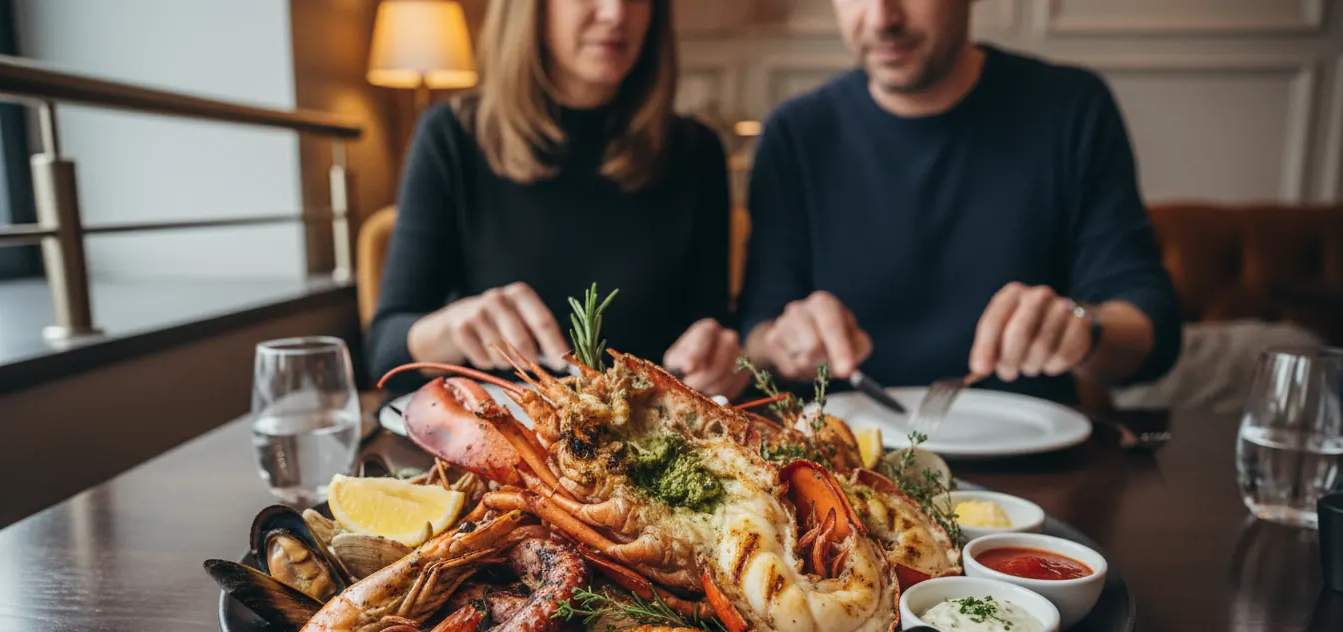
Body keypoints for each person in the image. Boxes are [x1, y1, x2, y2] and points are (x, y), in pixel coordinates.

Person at [737, 0, 1182, 404]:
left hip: (1033, 465)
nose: (881, 19)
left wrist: (1083, 329)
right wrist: (783, 339)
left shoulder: (1072, 109)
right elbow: (755, 333)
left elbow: (1151, 331)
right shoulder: (796, 134)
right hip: (842, 468)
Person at [369, 0, 749, 399]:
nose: (615, 13)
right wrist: (449, 328)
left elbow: (714, 329)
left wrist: (720, 358)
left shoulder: (696, 152)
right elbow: (384, 352)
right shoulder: (450, 137)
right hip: (503, 444)